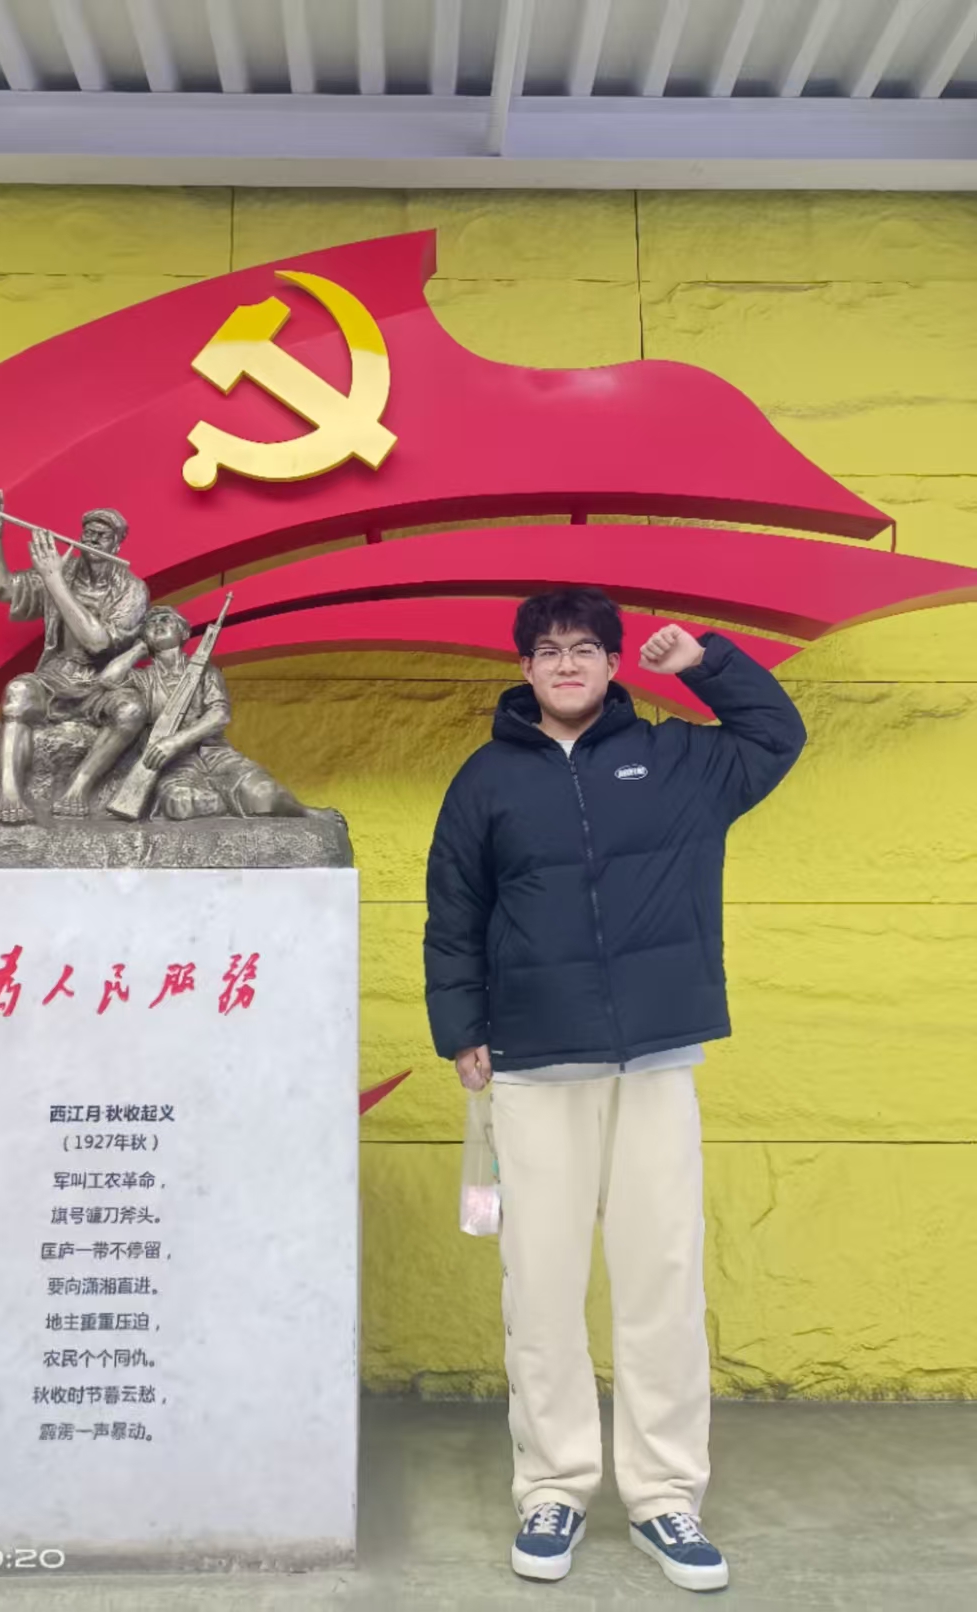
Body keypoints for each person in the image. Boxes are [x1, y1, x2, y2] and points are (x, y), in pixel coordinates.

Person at [423, 587, 806, 1593]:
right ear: (524, 668)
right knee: (540, 1284)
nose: (566, 664)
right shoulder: (486, 780)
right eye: (548, 650)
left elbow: (777, 735)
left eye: (585, 648)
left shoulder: (680, 759)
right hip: (534, 1060)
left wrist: (705, 662)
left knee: (660, 1280)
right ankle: (551, 1485)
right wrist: (462, 1030)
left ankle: (664, 1495)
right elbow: (453, 907)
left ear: (614, 662)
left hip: (655, 1059)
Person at [0, 494, 150, 822]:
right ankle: (9, 795)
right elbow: (2, 588)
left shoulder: (133, 590)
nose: (92, 539)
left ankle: (79, 787)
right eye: (88, 532)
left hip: (102, 683)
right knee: (17, 693)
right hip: (55, 676)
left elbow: (97, 643)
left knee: (132, 710)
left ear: (116, 545)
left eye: (102, 535)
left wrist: (53, 580)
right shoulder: (62, 570)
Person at [99, 605, 308, 821]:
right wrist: (140, 649)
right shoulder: (144, 678)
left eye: (166, 620)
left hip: (216, 754)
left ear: (184, 634)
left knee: (267, 794)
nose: (158, 624)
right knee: (180, 803)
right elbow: (107, 679)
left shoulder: (206, 671)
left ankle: (306, 813)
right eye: (151, 623)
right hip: (174, 764)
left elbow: (219, 714)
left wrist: (176, 741)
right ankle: (233, 804)